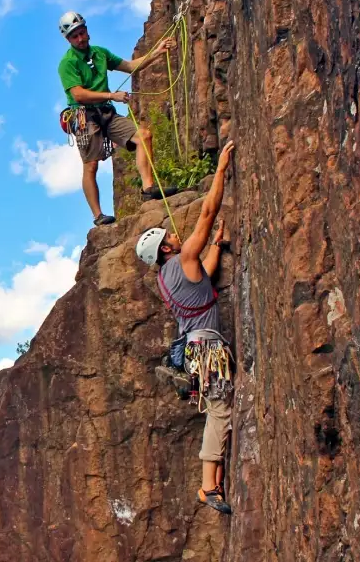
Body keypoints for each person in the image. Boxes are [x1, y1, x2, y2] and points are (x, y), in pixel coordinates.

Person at [135, 140, 236, 515]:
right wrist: (222, 170)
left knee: (217, 408)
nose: (174, 235)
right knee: (221, 410)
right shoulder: (181, 261)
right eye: (169, 238)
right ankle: (208, 487)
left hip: (195, 350)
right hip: (207, 349)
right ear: (165, 249)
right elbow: (207, 212)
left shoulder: (169, 277)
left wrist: (217, 247)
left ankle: (213, 480)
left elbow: (204, 279)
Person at [57, 11, 179, 227]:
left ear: (87, 31)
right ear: (68, 39)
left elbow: (130, 66)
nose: (80, 38)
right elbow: (78, 94)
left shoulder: (100, 53)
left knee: (144, 135)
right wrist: (111, 95)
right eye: (74, 36)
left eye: (82, 33)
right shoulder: (68, 63)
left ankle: (148, 188)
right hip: (85, 115)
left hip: (106, 112)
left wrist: (158, 52)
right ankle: (98, 215)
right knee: (91, 165)